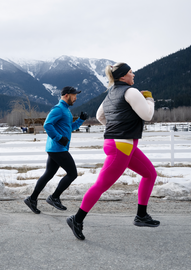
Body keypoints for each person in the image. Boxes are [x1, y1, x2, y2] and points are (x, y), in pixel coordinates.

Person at [67, 62, 159, 241]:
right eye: (131, 73)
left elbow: (101, 116)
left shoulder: (110, 94)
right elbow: (147, 115)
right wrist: (149, 99)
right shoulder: (131, 92)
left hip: (118, 143)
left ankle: (141, 215)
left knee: (150, 174)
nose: (134, 75)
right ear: (123, 76)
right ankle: (76, 219)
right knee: (101, 185)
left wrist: (116, 127)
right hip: (121, 146)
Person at [24, 86, 87, 214]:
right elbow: (47, 124)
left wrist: (81, 120)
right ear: (66, 95)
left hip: (56, 148)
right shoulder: (59, 109)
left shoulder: (66, 110)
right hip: (58, 148)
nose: (76, 98)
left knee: (48, 174)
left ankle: (32, 199)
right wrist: (59, 138)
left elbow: (69, 127)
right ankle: (54, 197)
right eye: (74, 95)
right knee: (72, 173)